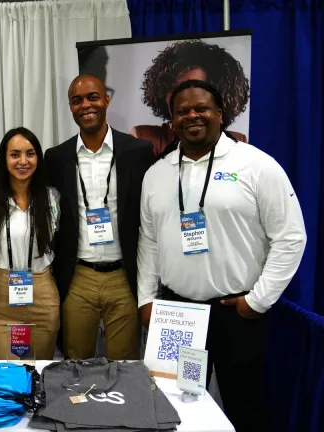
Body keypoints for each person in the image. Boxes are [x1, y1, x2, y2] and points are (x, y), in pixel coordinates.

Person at [137, 80, 306, 432]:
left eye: (201, 108)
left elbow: (290, 237)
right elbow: (149, 242)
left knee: (244, 406)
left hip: (236, 314)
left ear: (220, 114)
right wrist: (146, 299)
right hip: (178, 314)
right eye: (181, 111)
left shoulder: (257, 165)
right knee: (174, 406)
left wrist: (257, 302)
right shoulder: (157, 175)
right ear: (172, 122)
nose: (191, 116)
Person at [45, 74, 155, 361]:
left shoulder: (138, 151)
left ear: (107, 99)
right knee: (75, 362)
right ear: (70, 107)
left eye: (93, 97)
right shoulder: (56, 157)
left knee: (125, 364)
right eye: (77, 100)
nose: (86, 105)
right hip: (78, 276)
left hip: (124, 276)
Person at [0, 127, 61, 360]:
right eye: (15, 154)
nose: (23, 161)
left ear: (38, 159)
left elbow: (57, 242)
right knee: (3, 374)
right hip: (0, 297)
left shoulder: (52, 197)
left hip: (42, 294)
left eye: (30, 153)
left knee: (38, 372)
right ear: (4, 159)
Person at [132, 39, 251, 155]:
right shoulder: (143, 137)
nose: (184, 96)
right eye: (174, 88)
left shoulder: (237, 142)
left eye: (195, 86)